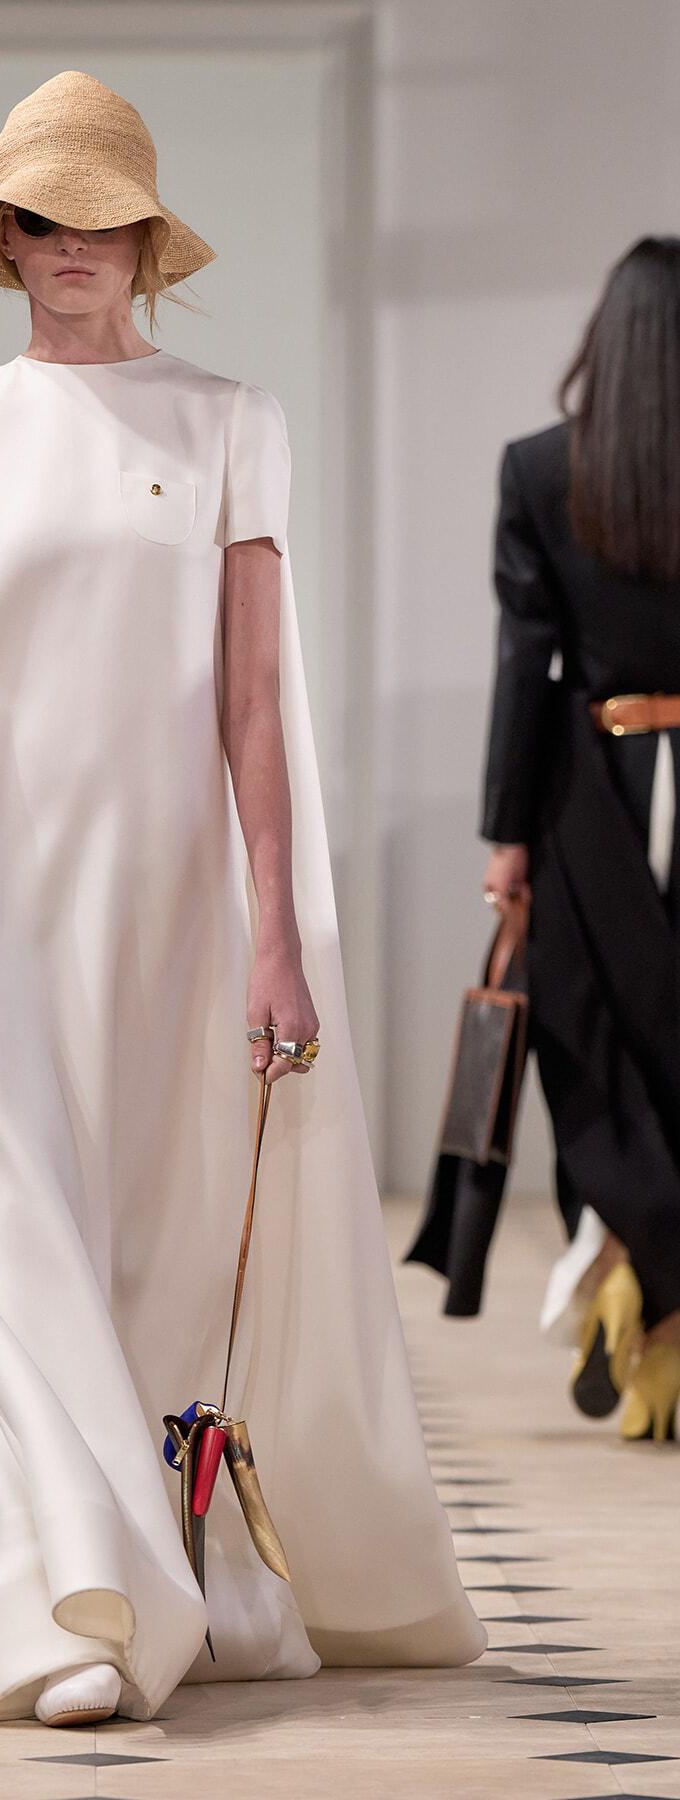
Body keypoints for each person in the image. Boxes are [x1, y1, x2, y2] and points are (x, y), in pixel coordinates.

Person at [0, 72, 482, 1728]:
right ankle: (57, 1604)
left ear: (147, 240)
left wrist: (278, 932)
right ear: (5, 241)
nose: (71, 245)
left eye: (100, 219)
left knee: (142, 1242)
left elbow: (252, 704)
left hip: (159, 898)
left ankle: (128, 1562)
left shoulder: (232, 423)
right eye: (41, 219)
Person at [481, 236, 680, 1444]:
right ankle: (649, 1308)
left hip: (594, 794)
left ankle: (623, 1271)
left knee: (602, 1052)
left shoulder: (543, 470)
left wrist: (507, 839)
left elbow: (526, 667)